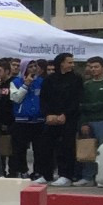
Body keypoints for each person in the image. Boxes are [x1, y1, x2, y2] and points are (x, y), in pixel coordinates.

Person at [40, 51, 85, 186]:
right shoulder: (50, 79)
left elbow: (77, 99)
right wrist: (47, 114)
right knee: (46, 146)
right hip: (51, 118)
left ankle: (66, 175)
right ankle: (46, 174)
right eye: (69, 62)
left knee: (66, 147)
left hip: (68, 118)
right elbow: (44, 98)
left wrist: (65, 114)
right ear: (61, 63)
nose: (72, 65)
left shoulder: (76, 79)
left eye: (72, 62)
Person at [77, 56, 103, 186]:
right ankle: (87, 177)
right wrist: (83, 122)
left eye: (96, 67)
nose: (93, 69)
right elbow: (81, 104)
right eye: (91, 67)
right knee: (88, 149)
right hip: (88, 121)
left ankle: (101, 177)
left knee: (102, 149)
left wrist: (87, 107)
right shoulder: (86, 85)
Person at [9, 60, 48, 181]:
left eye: (35, 66)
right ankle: (22, 170)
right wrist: (25, 85)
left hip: (38, 120)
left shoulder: (41, 82)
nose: (33, 69)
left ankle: (38, 172)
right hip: (21, 120)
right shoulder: (16, 82)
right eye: (30, 66)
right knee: (20, 149)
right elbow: (15, 98)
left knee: (40, 149)